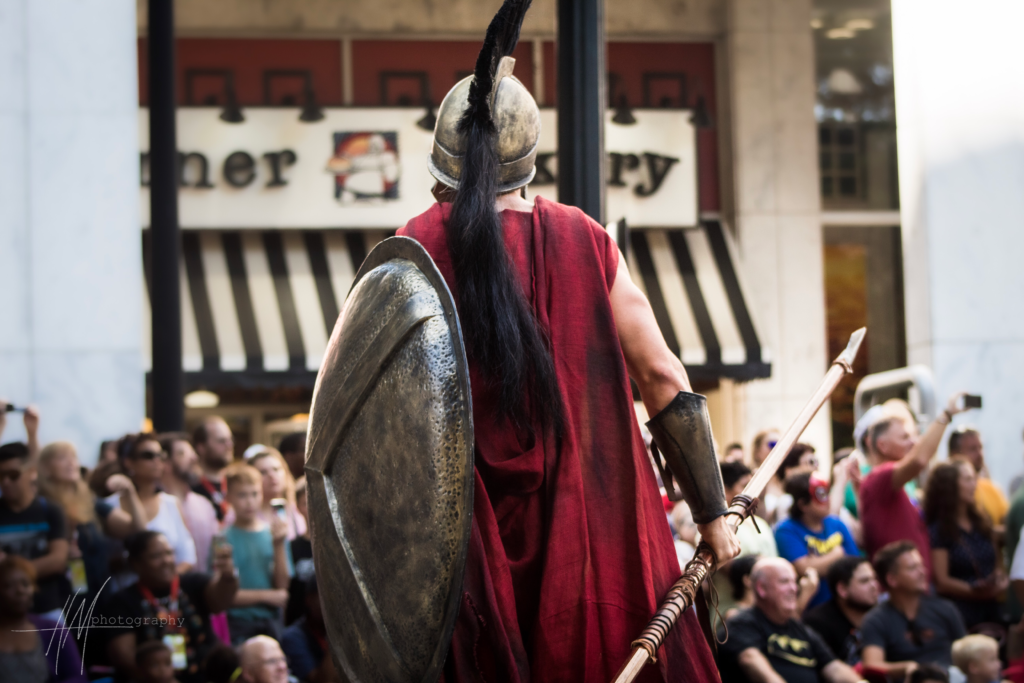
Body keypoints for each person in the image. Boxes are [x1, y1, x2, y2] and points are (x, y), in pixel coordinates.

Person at [392, 2, 740, 679]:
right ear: (529, 162)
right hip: (588, 539)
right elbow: (662, 376)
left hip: (458, 554)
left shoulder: (413, 243)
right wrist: (712, 515)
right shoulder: (584, 237)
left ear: (442, 165)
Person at [103, 531, 238, 683]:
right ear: (136, 564)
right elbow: (124, 657)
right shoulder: (121, 602)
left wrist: (228, 577)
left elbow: (220, 604)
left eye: (169, 553)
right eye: (156, 556)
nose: (166, 560)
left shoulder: (192, 583)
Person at [859, 392, 973, 568]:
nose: (914, 442)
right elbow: (919, 460)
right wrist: (947, 415)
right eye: (905, 437)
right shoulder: (878, 478)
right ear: (882, 445)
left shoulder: (897, 484)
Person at [717, 557, 862, 683]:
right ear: (761, 588)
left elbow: (834, 667)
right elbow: (751, 662)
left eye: (794, 582)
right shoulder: (742, 623)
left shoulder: (802, 630)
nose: (794, 588)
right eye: (784, 581)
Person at [37, 441, 146, 600]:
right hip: (61, 596)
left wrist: (129, 492)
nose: (71, 462)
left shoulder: (89, 501)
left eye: (73, 457)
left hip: (99, 592)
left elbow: (136, 529)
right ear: (45, 468)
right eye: (62, 458)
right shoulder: (41, 506)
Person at [861, 541, 966, 677]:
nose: (923, 572)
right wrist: (908, 668)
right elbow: (872, 664)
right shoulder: (876, 620)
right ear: (892, 579)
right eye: (913, 568)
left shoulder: (945, 608)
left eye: (921, 565)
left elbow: (966, 651)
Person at [925, 459, 1006, 629]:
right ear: (950, 486)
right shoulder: (939, 530)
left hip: (992, 609)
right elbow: (942, 581)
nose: (974, 485)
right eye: (968, 479)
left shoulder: (981, 521)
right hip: (961, 615)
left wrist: (998, 579)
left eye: (974, 479)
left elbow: (996, 561)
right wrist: (974, 591)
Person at [106, 434, 197, 572]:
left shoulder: (171, 503)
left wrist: (166, 579)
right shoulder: (110, 505)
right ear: (128, 462)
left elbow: (188, 556)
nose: (157, 460)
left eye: (161, 455)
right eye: (148, 455)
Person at [222, 463, 291, 644]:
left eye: (254, 494)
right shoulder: (223, 539)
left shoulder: (274, 533)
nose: (249, 501)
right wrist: (267, 596)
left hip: (272, 621)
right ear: (228, 497)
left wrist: (278, 545)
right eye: (242, 495)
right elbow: (224, 595)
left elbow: (282, 587)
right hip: (239, 622)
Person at [0, 442, 69, 619]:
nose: (5, 482)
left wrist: (12, 571)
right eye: (0, 476)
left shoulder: (50, 510)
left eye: (13, 475)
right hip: (5, 614)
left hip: (47, 607)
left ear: (31, 472)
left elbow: (58, 560)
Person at [775, 472, 860, 609]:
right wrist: (837, 554)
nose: (828, 500)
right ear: (803, 504)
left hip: (846, 606)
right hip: (813, 609)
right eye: (821, 495)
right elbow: (804, 569)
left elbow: (855, 565)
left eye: (827, 493)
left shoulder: (837, 524)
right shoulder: (786, 530)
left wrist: (818, 562)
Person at [0, 555, 87, 683]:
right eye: (9, 586)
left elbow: (78, 677)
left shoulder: (53, 631)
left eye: (25, 584)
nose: (20, 591)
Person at [712, 461, 778, 615]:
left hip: (767, 615)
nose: (752, 494)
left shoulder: (760, 524)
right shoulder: (714, 528)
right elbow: (728, 567)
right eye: (744, 486)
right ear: (725, 490)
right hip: (729, 616)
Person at [159, 433, 219, 572]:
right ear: (165, 464)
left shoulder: (204, 505)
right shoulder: (154, 505)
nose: (194, 458)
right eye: (182, 453)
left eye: (192, 452)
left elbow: (216, 549)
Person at [803, 556, 880, 665]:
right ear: (842, 589)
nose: (874, 586)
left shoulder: (882, 616)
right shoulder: (818, 624)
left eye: (874, 579)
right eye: (864, 581)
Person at [949, 426, 1009, 531]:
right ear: (955, 455)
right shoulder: (948, 494)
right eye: (972, 449)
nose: (980, 454)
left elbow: (1010, 526)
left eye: (980, 448)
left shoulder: (992, 488)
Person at [246, 448, 307, 542]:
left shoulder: (301, 507)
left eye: (276, 469)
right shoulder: (246, 513)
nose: (271, 475)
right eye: (263, 472)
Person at [281, 574, 333, 683]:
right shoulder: (293, 638)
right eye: (327, 597)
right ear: (309, 599)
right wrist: (337, 636)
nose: (333, 604)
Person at [191, 417, 235, 522]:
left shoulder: (236, 483)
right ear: (201, 447)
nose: (229, 445)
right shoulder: (190, 487)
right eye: (221, 441)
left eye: (230, 440)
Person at [751, 429, 785, 521]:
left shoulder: (786, 480)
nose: (777, 449)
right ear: (757, 452)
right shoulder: (751, 480)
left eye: (781, 445)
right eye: (772, 444)